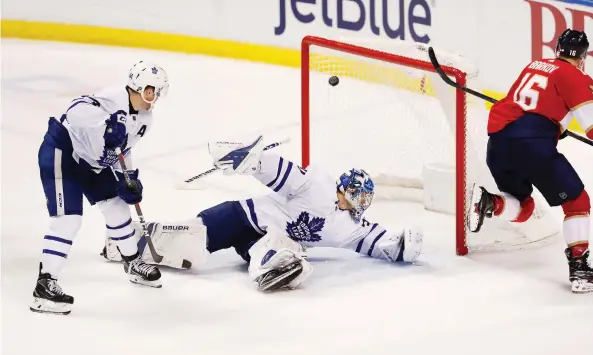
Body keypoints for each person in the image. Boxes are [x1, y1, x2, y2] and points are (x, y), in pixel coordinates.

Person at [101, 136, 424, 292]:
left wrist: (399, 248)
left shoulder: (348, 226)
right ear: (345, 189)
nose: (359, 202)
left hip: (267, 236)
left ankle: (272, 268)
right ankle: (122, 242)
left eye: (363, 198)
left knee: (281, 250)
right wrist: (251, 161)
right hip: (242, 216)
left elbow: (374, 240)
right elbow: (281, 172)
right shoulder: (317, 183)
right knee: (187, 243)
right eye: (357, 195)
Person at [32, 61, 170, 315]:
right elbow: (74, 111)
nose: (155, 97)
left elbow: (123, 151)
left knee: (118, 207)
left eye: (158, 92)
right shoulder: (111, 98)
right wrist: (106, 124)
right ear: (139, 87)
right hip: (64, 153)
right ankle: (44, 285)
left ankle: (132, 262)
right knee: (68, 220)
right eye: (152, 90)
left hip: (94, 163)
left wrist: (128, 177)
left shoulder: (145, 120)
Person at [468, 29, 593, 294]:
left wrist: (556, 125)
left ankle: (493, 202)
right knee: (578, 202)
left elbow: (532, 104)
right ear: (583, 57)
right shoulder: (575, 76)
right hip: (532, 144)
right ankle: (580, 269)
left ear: (558, 49)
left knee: (523, 207)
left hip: (499, 143)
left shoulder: (534, 65)